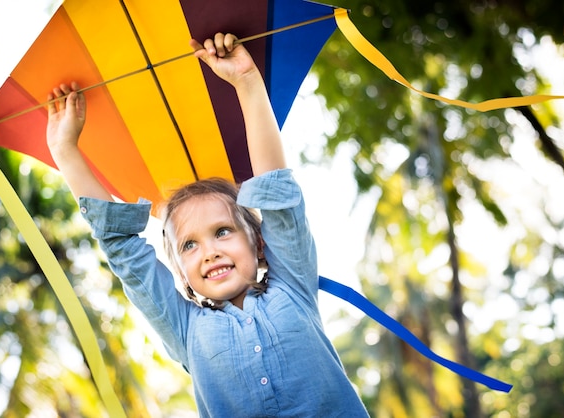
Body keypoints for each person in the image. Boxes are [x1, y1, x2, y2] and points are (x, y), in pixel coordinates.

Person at [47, 33, 370, 417]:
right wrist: (66, 151)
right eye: (189, 245)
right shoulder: (184, 328)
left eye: (222, 231)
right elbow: (123, 249)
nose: (210, 250)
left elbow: (278, 194)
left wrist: (247, 80)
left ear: (260, 243)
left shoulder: (293, 286)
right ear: (180, 272)